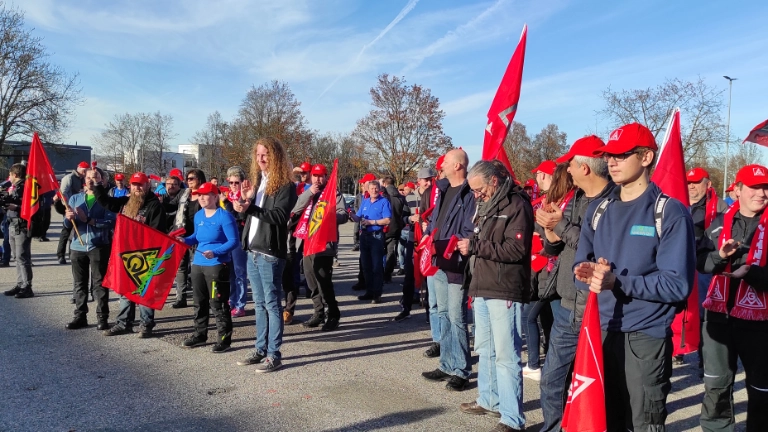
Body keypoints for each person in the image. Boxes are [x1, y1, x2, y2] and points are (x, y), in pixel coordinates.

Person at [573, 123, 695, 431]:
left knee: (643, 423)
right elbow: (581, 268)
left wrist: (617, 281)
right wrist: (585, 273)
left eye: (621, 154)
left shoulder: (669, 212)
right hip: (599, 332)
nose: (611, 162)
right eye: (608, 155)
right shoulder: (597, 209)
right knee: (602, 420)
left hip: (645, 337)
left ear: (646, 157)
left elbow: (677, 284)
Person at [535, 135, 614, 432]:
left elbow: (596, 248)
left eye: (571, 163)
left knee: (593, 385)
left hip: (598, 311)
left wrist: (562, 226)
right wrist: (550, 232)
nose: (566, 169)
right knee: (552, 380)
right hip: (567, 306)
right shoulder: (576, 197)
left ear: (585, 167)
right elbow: (560, 248)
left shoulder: (614, 201)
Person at [457, 160, 533, 432]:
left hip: (505, 288)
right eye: (473, 191)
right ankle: (489, 399)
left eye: (479, 189)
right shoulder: (486, 206)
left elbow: (516, 250)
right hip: (482, 285)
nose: (476, 195)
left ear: (494, 181)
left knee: (506, 355)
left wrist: (475, 245)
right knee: (485, 350)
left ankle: (513, 419)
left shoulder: (517, 204)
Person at [697, 164, 768, 432]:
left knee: (762, 390)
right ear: (737, 189)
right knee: (716, 387)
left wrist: (751, 273)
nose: (761, 193)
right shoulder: (718, 222)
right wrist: (721, 257)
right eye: (754, 187)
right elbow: (700, 262)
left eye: (765, 187)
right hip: (718, 317)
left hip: (760, 323)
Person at [234, 137, 297, 373]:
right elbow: (250, 218)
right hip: (252, 250)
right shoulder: (260, 181)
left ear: (276, 157)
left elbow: (280, 218)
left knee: (272, 304)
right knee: (259, 304)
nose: (261, 159)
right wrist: (244, 204)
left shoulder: (285, 185)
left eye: (266, 154)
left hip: (270, 252)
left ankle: (274, 354)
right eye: (258, 154)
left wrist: (251, 207)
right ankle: (260, 349)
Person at [420, 148, 476, 392]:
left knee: (456, 316)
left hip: (455, 261)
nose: (439, 166)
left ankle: (461, 369)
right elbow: (436, 221)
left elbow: (469, 228)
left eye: (445, 162)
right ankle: (446, 364)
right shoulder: (442, 190)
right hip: (438, 259)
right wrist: (427, 236)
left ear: (458, 166)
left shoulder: (469, 193)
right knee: (443, 312)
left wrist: (452, 245)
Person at [94, 172, 167, 338]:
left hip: (146, 254)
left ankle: (146, 324)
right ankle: (123, 323)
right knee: (125, 290)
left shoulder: (154, 205)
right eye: (134, 185)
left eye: (140, 184)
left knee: (144, 291)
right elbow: (106, 202)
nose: (137, 188)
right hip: (126, 253)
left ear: (147, 185)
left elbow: (158, 233)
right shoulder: (126, 202)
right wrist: (98, 184)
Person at [523, 162, 573, 381]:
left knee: (529, 317)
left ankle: (534, 365)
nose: (538, 179)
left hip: (549, 269)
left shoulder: (564, 204)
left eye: (541, 175)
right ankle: (552, 360)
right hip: (544, 269)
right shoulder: (547, 202)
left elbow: (554, 239)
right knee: (549, 320)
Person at [179, 182, 239, 353]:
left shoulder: (224, 216)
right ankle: (200, 334)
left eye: (206, 195)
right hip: (198, 263)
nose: (202, 198)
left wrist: (216, 252)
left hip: (217, 265)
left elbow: (234, 241)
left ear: (215, 196)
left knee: (218, 302)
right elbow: (196, 237)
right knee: (199, 301)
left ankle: (224, 339)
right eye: (200, 195)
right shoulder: (198, 216)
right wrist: (185, 240)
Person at [54, 168, 116, 330]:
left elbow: (111, 222)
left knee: (100, 284)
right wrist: (68, 219)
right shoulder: (75, 199)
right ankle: (80, 316)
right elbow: (68, 226)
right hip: (77, 246)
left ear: (101, 180)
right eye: (88, 177)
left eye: (94, 177)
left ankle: (102, 317)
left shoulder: (107, 200)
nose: (90, 179)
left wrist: (89, 220)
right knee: (79, 284)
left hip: (99, 245)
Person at [293, 164, 349, 331]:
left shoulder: (334, 193)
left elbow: (344, 214)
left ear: (326, 177)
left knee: (323, 281)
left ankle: (333, 313)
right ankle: (318, 312)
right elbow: (296, 209)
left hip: (324, 244)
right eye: (315, 176)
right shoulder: (307, 192)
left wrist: (330, 215)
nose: (318, 179)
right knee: (311, 281)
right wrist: (309, 194)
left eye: (321, 176)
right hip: (307, 244)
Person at [683, 167, 728, 365]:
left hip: (705, 266)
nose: (691, 186)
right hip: (681, 262)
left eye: (696, 182)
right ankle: (678, 348)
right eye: (689, 183)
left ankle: (705, 359)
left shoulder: (720, 207)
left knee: (703, 312)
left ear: (708, 184)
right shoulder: (678, 203)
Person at [348, 180, 391, 303]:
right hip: (364, 236)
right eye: (371, 188)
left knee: (376, 266)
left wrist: (373, 222)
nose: (374, 190)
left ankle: (377, 294)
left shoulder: (384, 202)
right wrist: (351, 214)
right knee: (366, 266)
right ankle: (369, 291)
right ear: (368, 190)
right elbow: (358, 217)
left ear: (379, 189)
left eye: (376, 188)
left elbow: (388, 220)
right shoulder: (365, 202)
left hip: (376, 236)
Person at [170, 168, 205, 308]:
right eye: (187, 179)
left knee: (197, 267)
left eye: (192, 178)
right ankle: (181, 297)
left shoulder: (205, 194)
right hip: (182, 233)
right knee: (181, 267)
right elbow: (171, 206)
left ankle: (199, 296)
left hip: (198, 235)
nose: (188, 181)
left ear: (200, 179)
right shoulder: (183, 193)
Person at [2, 164, 34, 299]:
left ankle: (27, 287)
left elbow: (31, 207)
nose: (9, 178)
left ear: (15, 175)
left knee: (22, 257)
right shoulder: (13, 187)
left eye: (10, 175)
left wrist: (17, 207)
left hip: (21, 225)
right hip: (12, 223)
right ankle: (20, 284)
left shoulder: (25, 188)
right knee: (16, 257)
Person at [223, 166, 249, 318]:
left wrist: (229, 205)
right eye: (231, 182)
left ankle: (240, 303)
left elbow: (239, 217)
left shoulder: (244, 198)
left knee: (240, 272)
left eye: (236, 182)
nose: (233, 185)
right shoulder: (227, 197)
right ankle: (232, 300)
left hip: (239, 237)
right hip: (227, 238)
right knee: (230, 272)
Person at [57, 161, 88, 264]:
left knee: (74, 232)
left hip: (80, 208)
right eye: (84, 170)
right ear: (79, 168)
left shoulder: (84, 178)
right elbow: (63, 193)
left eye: (86, 171)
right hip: (69, 208)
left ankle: (72, 253)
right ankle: (60, 255)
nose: (85, 172)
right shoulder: (69, 178)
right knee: (66, 231)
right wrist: (67, 207)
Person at [351, 173, 376, 284]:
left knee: (374, 261)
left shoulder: (380, 197)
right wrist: (352, 215)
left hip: (375, 234)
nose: (362, 184)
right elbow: (359, 214)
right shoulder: (364, 196)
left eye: (364, 182)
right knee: (363, 259)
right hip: (364, 232)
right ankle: (363, 281)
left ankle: (373, 286)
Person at [382, 176, 408, 282]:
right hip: (396, 227)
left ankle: (381, 272)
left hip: (383, 227)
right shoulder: (401, 197)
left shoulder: (383, 197)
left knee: (380, 251)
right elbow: (406, 212)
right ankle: (388, 274)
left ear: (384, 184)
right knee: (391, 252)